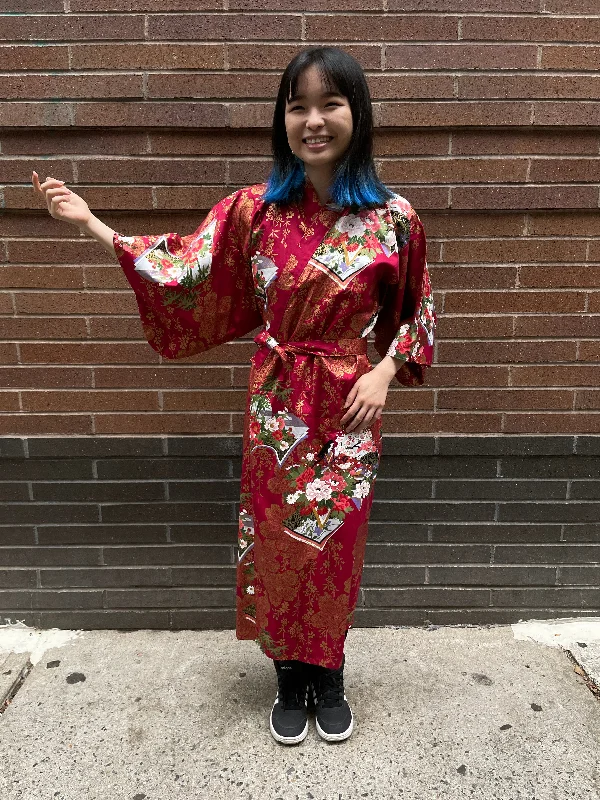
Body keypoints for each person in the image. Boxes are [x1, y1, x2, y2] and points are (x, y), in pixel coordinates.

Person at [31, 45, 436, 746]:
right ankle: (288, 672)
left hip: (347, 407)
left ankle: (328, 671)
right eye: (297, 105)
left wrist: (383, 372)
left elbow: (419, 309)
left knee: (334, 544)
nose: (313, 120)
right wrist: (95, 225)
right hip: (278, 404)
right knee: (278, 538)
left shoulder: (394, 218)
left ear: (357, 114)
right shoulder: (253, 211)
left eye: (329, 103)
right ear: (281, 117)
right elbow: (181, 268)